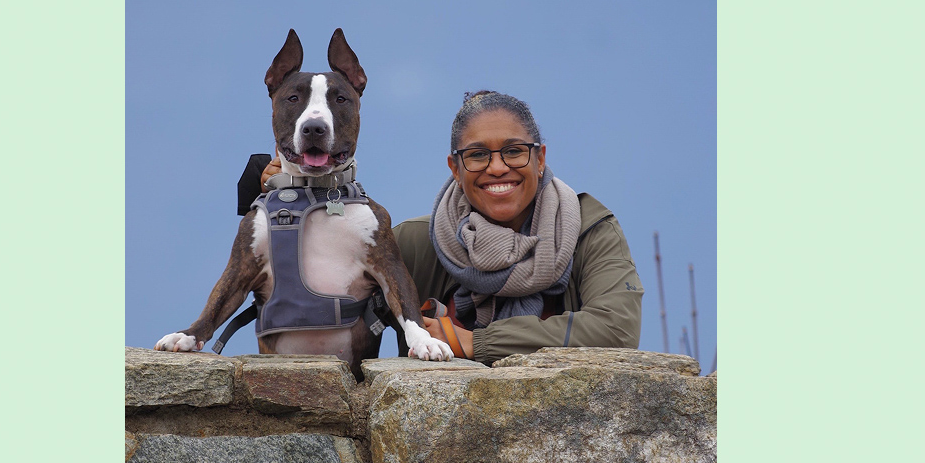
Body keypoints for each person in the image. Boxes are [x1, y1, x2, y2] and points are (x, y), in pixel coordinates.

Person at [261, 90, 643, 364]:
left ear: (540, 158)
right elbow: (311, 283)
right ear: (455, 169)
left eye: (514, 151)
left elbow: (616, 329)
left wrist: (474, 343)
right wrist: (285, 188)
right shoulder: (417, 243)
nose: (497, 167)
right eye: (477, 155)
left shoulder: (589, 228)